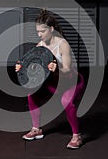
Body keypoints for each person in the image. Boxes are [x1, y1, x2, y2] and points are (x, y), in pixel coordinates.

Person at [15, 10, 86, 149]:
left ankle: (77, 136)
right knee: (31, 94)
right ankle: (36, 129)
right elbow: (32, 66)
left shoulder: (62, 44)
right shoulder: (41, 46)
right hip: (54, 83)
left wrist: (57, 67)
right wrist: (21, 67)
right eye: (38, 31)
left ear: (51, 29)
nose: (39, 34)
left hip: (71, 81)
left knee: (66, 101)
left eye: (42, 31)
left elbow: (67, 69)